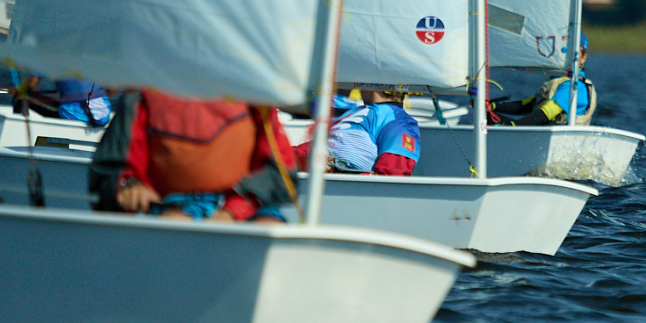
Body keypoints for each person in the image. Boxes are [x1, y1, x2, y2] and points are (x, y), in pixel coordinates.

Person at [88, 89, 301, 221]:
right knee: (175, 223)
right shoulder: (141, 98)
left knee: (267, 228)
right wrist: (129, 186)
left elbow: (281, 171)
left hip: (249, 206)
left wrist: (232, 211)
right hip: (171, 206)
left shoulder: (256, 100)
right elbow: (110, 170)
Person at [491, 36, 596, 126]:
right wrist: (492, 106)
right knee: (486, 117)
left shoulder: (576, 87)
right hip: (541, 134)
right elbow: (526, 106)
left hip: (560, 138)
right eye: (563, 51)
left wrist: (514, 127)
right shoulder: (556, 82)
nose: (565, 58)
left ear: (583, 58)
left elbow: (546, 113)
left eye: (571, 53)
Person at [323, 88, 421, 175]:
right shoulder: (356, 111)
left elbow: (393, 172)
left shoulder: (398, 119)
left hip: (344, 186)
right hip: (319, 178)